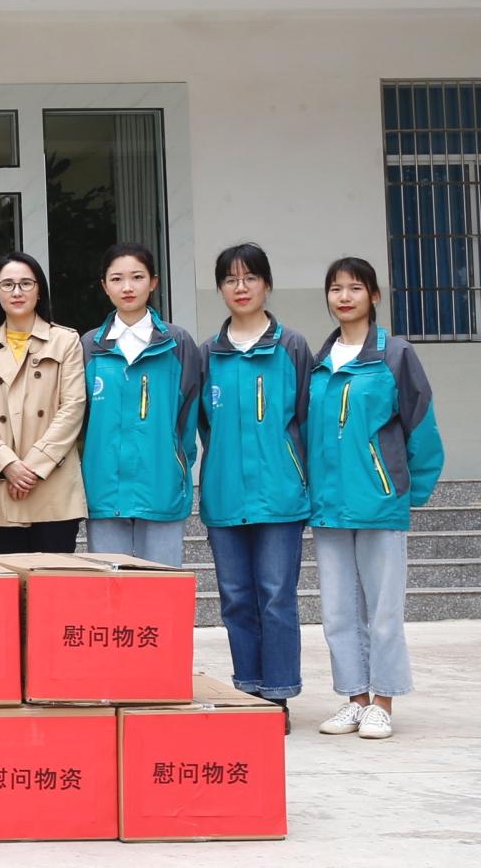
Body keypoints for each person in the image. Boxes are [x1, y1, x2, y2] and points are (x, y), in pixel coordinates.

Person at [307, 257, 444, 741]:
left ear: (374, 296)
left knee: (383, 611)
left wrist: (408, 490)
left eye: (355, 288)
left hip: (380, 501)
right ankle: (355, 699)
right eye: (336, 288)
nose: (344, 297)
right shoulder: (319, 364)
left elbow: (421, 424)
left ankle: (383, 700)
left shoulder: (396, 355)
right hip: (329, 506)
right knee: (338, 612)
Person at [199, 243, 313, 730]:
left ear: (267, 284)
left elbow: (306, 418)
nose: (240, 287)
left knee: (276, 597)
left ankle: (278, 696)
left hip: (280, 496)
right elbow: (203, 424)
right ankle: (248, 690)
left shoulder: (292, 347)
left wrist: (299, 476)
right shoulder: (208, 353)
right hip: (225, 496)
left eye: (250, 278)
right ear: (220, 289)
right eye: (230, 279)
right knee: (236, 599)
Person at [80, 243, 203, 566]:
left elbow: (188, 417)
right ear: (104, 286)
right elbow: (81, 419)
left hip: (161, 484)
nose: (127, 287)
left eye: (137, 277)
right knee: (109, 588)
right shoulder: (90, 346)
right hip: (104, 488)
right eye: (117, 279)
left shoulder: (177, 343)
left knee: (162, 586)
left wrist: (175, 463)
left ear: (153, 282)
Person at [0, 252, 88, 556]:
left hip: (52, 483)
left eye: (26, 283)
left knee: (53, 581)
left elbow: (73, 407)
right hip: (0, 484)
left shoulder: (65, 341)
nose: (17, 292)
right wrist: (7, 465)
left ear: (39, 291)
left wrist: (33, 467)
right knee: (5, 582)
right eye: (7, 284)